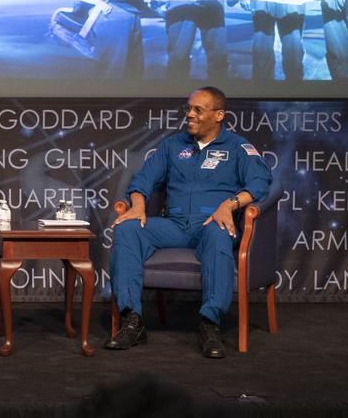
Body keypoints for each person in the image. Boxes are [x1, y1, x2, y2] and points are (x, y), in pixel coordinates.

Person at [106, 86, 271, 358]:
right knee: (127, 229)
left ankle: (210, 324)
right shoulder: (173, 145)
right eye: (188, 108)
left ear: (219, 115)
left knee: (219, 234)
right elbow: (143, 180)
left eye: (198, 110)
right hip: (174, 225)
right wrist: (137, 205)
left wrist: (229, 205)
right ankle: (132, 321)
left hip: (210, 224)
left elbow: (260, 183)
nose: (189, 115)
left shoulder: (238, 147)